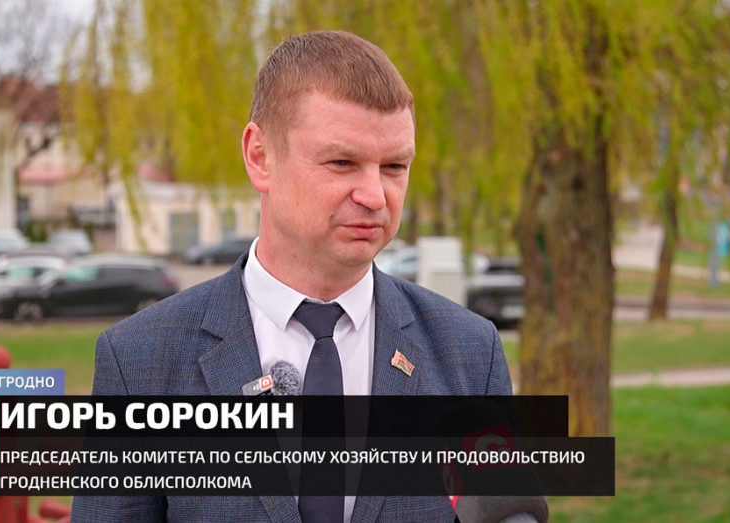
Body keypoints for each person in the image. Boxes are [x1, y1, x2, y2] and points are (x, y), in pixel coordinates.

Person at [70, 30, 512, 523]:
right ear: (260, 157)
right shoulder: (141, 361)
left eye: (394, 166)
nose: (374, 195)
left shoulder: (470, 355)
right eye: (342, 162)